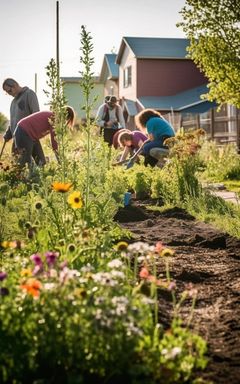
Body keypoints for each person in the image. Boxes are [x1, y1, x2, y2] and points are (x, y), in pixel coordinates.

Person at [2, 78, 40, 153]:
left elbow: (36, 115)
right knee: (16, 163)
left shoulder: (29, 94)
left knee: (40, 163)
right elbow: (13, 121)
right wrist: (8, 134)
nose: (9, 94)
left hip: (29, 137)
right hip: (16, 140)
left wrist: (33, 134)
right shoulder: (13, 103)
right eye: (7, 93)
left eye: (9, 91)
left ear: (15, 85)